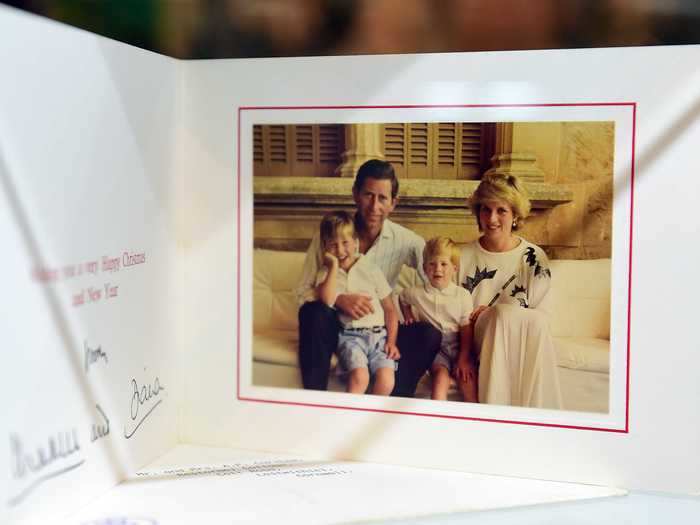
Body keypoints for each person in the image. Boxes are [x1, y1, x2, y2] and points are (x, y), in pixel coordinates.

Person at [296, 159, 441, 397]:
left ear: (394, 203)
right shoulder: (329, 237)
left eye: (383, 198)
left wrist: (412, 306)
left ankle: (389, 404)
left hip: (379, 330)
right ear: (355, 194)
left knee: (428, 334)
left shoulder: (405, 241)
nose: (374, 206)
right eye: (368, 195)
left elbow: (436, 278)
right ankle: (316, 402)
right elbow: (303, 292)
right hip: (339, 328)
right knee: (313, 312)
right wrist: (338, 299)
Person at [459, 173, 562, 409]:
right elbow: (452, 313)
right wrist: (488, 318)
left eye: (501, 211)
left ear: (515, 214)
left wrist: (496, 311)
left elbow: (541, 320)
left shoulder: (534, 258)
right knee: (499, 316)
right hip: (476, 344)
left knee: (504, 314)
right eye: (485, 209)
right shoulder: (461, 257)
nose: (492, 218)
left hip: (521, 346)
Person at [316, 211, 398, 395]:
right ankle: (349, 417)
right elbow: (327, 299)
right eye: (333, 245)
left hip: (380, 337)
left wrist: (392, 342)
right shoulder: (327, 273)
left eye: (345, 243)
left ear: (356, 242)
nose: (340, 250)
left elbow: (390, 309)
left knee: (387, 381)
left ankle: (370, 417)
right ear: (325, 248)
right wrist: (333, 266)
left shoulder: (371, 269)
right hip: (350, 337)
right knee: (360, 378)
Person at [400, 237, 477, 402]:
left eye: (444, 264)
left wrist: (463, 358)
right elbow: (403, 298)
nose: (437, 270)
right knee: (440, 378)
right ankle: (437, 419)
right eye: (432, 264)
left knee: (466, 378)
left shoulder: (462, 295)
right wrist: (408, 317)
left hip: (458, 345)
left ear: (454, 268)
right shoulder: (417, 292)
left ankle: (476, 418)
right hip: (437, 349)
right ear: (424, 268)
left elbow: (466, 329)